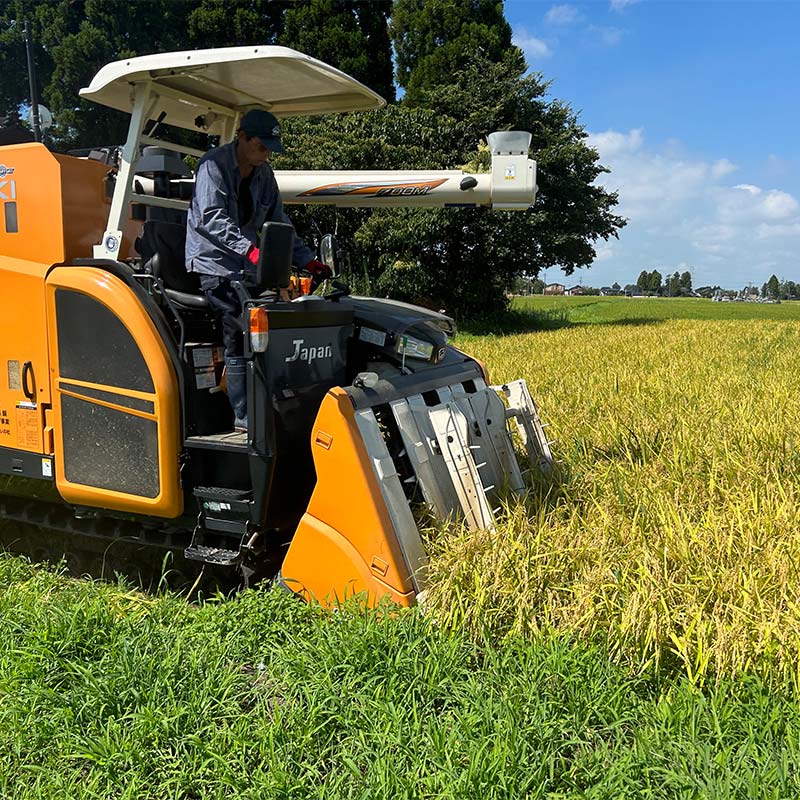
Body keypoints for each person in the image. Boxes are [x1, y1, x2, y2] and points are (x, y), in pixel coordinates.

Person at [185, 109, 331, 432]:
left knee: (276, 320)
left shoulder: (265, 176)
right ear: (242, 137)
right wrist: (250, 251)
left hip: (248, 267)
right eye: (261, 147)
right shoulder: (212, 166)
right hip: (214, 265)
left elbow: (280, 224)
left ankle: (277, 404)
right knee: (241, 328)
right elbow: (211, 219)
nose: (266, 155)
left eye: (270, 149)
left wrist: (307, 260)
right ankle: (244, 418)